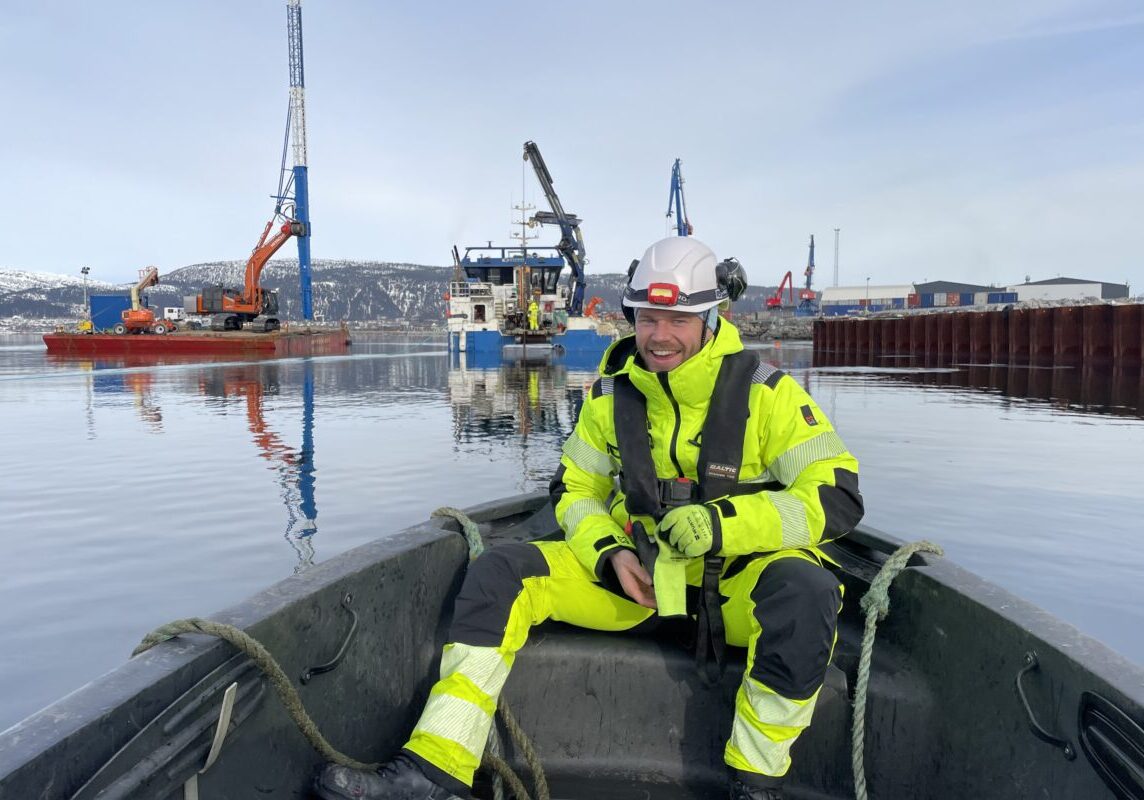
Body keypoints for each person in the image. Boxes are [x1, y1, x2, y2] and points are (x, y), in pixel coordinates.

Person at [313, 236, 863, 800]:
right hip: (636, 585)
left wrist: (724, 524)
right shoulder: (609, 396)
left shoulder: (767, 394)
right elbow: (575, 489)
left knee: (808, 592)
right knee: (501, 574)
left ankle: (755, 784)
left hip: (736, 593)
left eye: (677, 320)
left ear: (709, 318)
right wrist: (610, 554)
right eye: (648, 319)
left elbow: (837, 494)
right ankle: (434, 772)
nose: (660, 336)